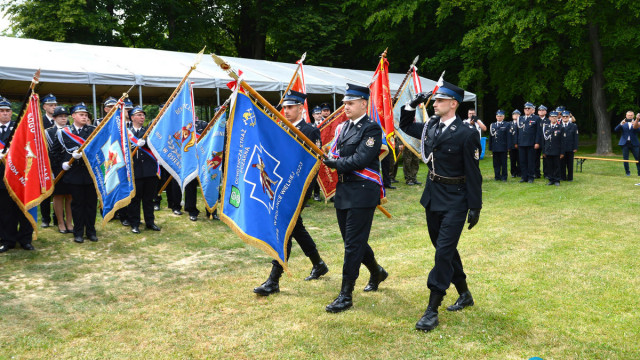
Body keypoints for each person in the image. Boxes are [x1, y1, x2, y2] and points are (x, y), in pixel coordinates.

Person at [399, 80, 482, 332]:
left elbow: (473, 173)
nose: (434, 103)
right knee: (444, 249)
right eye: (434, 100)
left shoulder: (467, 134)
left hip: (456, 200)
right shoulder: (431, 126)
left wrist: (475, 206)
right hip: (433, 197)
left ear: (453, 104)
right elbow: (405, 125)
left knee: (442, 253)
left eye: (439, 100)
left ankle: (432, 309)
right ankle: (465, 293)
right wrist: (411, 104)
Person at [253, 90, 329, 296]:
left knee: (285, 226)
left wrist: (303, 192)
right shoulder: (280, 127)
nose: (285, 111)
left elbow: (313, 166)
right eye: (284, 107)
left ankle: (273, 280)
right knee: (296, 228)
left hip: (297, 189)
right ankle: (318, 263)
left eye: (290, 107)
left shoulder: (309, 131)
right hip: (279, 186)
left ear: (300, 108)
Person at [322, 84, 388, 313]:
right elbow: (337, 154)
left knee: (352, 244)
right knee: (353, 241)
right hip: (344, 190)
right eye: (344, 103)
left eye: (350, 103)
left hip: (362, 191)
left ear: (363, 103)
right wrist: (329, 159)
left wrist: (336, 164)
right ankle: (377, 271)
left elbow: (361, 159)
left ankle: (345, 295)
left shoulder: (371, 129)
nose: (345, 107)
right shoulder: (343, 128)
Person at [54, 103, 99, 243]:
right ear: (73, 116)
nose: (84, 117)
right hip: (73, 174)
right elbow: (55, 152)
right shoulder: (64, 131)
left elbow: (99, 150)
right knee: (77, 205)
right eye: (81, 114)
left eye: (86, 115)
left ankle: (91, 231)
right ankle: (78, 232)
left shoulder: (93, 130)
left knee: (91, 204)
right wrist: (63, 163)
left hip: (90, 173)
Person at [0, 96, 36, 253]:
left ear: (12, 113)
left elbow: (27, 148)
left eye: (8, 110)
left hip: (19, 176)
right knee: (5, 211)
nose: (5, 113)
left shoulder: (18, 128)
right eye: (1, 111)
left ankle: (25, 239)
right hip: (1, 178)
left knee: (23, 209)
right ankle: (8, 240)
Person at [126, 106, 161, 234]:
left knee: (148, 198)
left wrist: (146, 142)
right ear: (132, 117)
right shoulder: (126, 133)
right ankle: (134, 223)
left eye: (143, 115)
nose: (142, 117)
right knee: (134, 199)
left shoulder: (149, 131)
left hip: (149, 170)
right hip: (134, 170)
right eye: (139, 115)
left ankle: (150, 222)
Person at [45, 106, 74, 234]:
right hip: (56, 168)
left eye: (65, 116)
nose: (63, 118)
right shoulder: (48, 132)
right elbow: (47, 153)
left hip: (71, 167)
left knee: (69, 195)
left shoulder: (71, 130)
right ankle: (60, 223)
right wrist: (50, 170)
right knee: (58, 195)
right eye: (60, 116)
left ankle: (69, 222)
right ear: (54, 118)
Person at [184, 116, 208, 221]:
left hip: (203, 159)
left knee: (208, 185)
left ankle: (211, 210)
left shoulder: (202, 125)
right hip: (190, 160)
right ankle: (192, 211)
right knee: (190, 187)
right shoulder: (184, 127)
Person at [39, 93, 58, 227]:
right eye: (51, 105)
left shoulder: (62, 120)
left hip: (57, 160)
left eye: (55, 105)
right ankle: (45, 219)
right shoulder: (39, 121)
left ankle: (58, 217)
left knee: (59, 191)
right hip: (43, 160)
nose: (53, 107)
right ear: (44, 106)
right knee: (45, 190)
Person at [516, 102, 541, 183]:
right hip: (521, 143)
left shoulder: (536, 118)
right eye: (525, 108)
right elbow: (517, 131)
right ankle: (524, 177)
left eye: (528, 108)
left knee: (531, 161)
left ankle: (531, 177)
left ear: (533, 110)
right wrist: (516, 142)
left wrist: (537, 142)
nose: (527, 110)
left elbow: (538, 132)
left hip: (531, 143)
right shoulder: (520, 118)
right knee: (522, 161)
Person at [614, 111, 640, 176]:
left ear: (633, 116)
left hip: (634, 143)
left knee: (638, 158)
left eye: (631, 115)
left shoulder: (636, 123)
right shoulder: (623, 123)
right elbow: (615, 130)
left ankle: (639, 173)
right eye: (628, 115)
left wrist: (635, 124)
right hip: (624, 143)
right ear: (626, 115)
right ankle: (627, 173)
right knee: (625, 159)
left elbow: (638, 131)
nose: (630, 116)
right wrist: (621, 124)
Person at [541, 111, 563, 186]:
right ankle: (551, 179)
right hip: (548, 150)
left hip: (556, 150)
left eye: (555, 117)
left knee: (556, 166)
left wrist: (562, 152)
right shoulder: (546, 127)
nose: (553, 118)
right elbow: (543, 141)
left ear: (557, 118)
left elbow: (563, 141)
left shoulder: (560, 127)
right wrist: (543, 151)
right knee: (549, 166)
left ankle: (557, 180)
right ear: (549, 118)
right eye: (552, 117)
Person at [489, 110, 509, 181]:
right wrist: (490, 147)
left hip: (503, 147)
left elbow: (508, 137)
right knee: (496, 163)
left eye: (500, 116)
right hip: (495, 147)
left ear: (503, 117)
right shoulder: (493, 125)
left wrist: (508, 147)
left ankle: (504, 177)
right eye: (497, 116)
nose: (499, 117)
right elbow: (491, 137)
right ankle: (497, 176)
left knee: (504, 163)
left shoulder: (506, 124)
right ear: (496, 116)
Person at [560, 110, 579, 181]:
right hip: (561, 148)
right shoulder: (559, 125)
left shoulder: (573, 126)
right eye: (563, 116)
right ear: (561, 117)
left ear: (569, 117)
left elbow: (576, 137)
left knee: (570, 164)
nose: (565, 117)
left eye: (566, 116)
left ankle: (570, 177)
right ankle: (562, 177)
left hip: (570, 147)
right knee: (562, 163)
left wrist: (575, 147)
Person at [537, 105, 549, 179]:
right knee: (535, 158)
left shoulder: (548, 121)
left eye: (543, 110)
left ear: (546, 112)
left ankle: (546, 173)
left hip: (546, 141)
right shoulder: (535, 120)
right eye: (540, 110)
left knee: (546, 158)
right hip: (537, 141)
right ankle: (536, 173)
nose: (541, 111)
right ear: (538, 112)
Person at [508, 110, 521, 178]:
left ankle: (519, 172)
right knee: (512, 160)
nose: (516, 116)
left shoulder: (521, 124)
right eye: (514, 114)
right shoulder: (509, 124)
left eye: (517, 114)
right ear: (512, 116)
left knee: (520, 159)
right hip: (511, 145)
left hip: (519, 145)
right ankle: (513, 172)